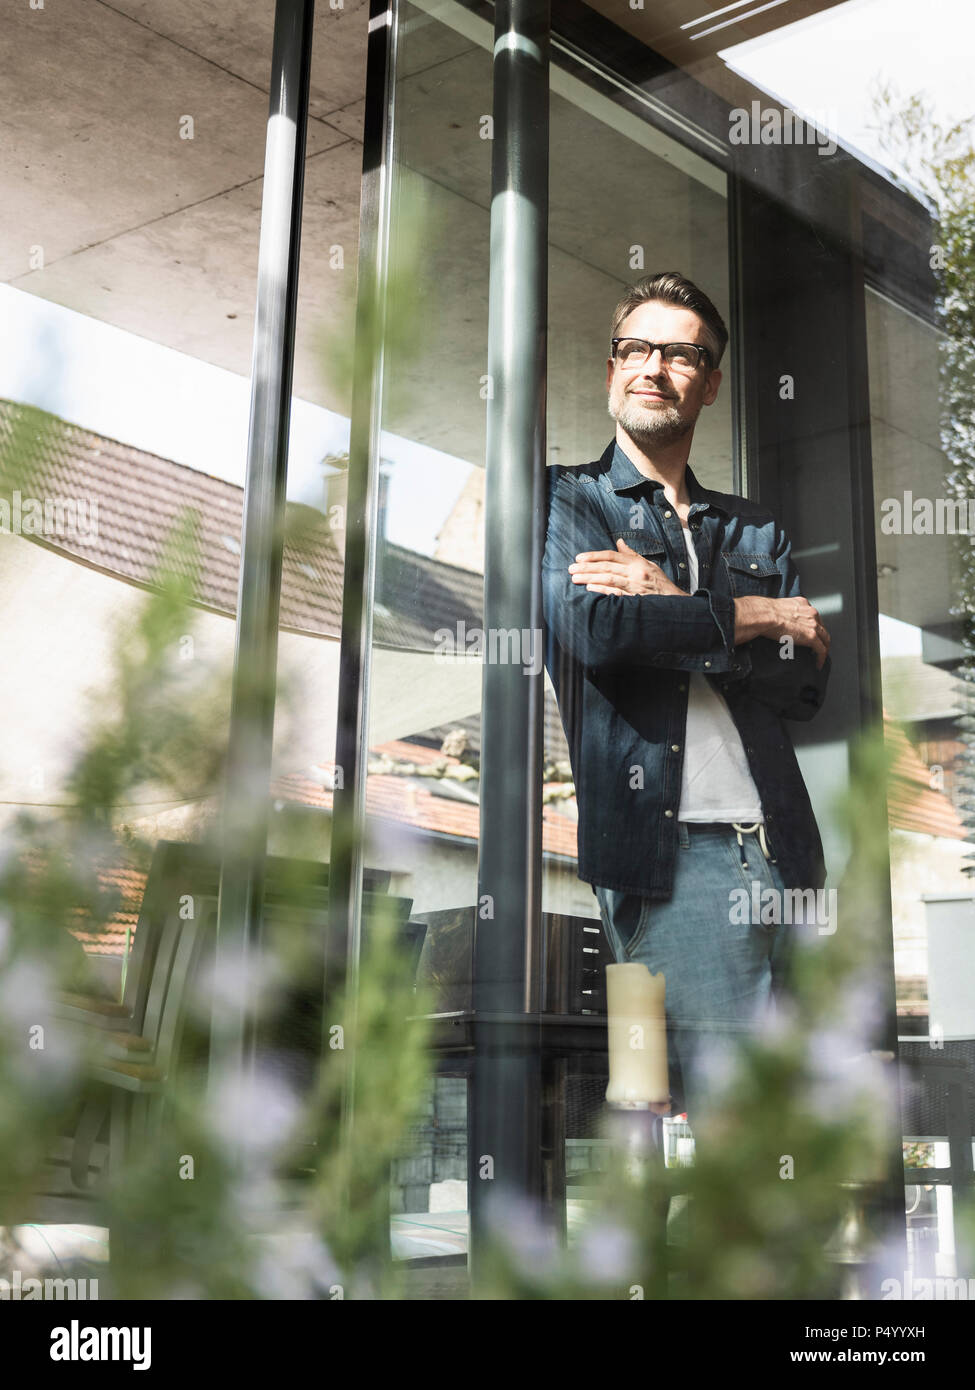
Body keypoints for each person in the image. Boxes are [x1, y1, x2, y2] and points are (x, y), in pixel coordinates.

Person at [542, 271, 832, 1120]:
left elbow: (803, 684)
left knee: (805, 1122)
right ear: (609, 372)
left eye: (679, 354)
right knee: (739, 1126)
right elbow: (595, 630)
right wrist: (744, 615)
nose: (651, 367)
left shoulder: (754, 530)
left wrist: (672, 605)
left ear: (708, 382)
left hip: (790, 852)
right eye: (634, 349)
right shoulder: (566, 499)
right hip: (678, 861)